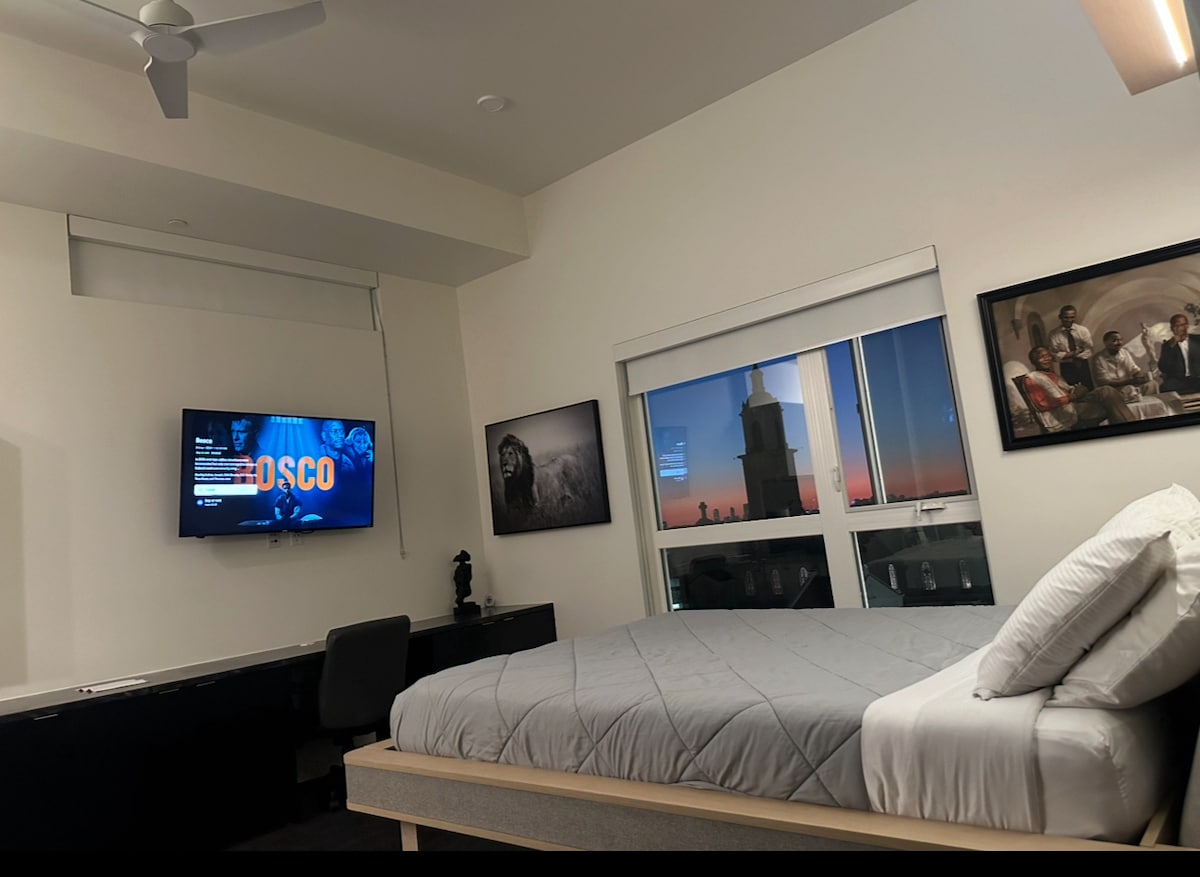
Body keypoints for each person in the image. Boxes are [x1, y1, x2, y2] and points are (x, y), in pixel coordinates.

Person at [1021, 346, 1135, 433]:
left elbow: (1067, 390)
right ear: (1034, 361)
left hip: (1074, 402)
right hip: (1062, 412)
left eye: (1048, 356)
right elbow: (1042, 404)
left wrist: (1079, 390)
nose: (1047, 359)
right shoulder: (1032, 378)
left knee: (1106, 390)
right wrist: (1072, 396)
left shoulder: (1053, 375)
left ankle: (1126, 428)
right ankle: (1129, 428)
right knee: (1111, 405)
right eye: (1042, 357)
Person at [1090, 330, 1157, 398]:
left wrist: (1141, 377)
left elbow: (1134, 370)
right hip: (1112, 391)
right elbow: (1104, 382)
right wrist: (1129, 382)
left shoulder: (1125, 353)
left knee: (1152, 384)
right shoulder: (1098, 358)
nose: (1119, 343)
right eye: (1114, 340)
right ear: (1105, 343)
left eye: (1120, 340)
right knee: (1108, 391)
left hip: (1129, 388)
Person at [1047, 304, 1095, 390]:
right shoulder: (1053, 334)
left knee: (1088, 388)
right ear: (1060, 317)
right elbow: (1054, 355)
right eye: (1066, 317)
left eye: (1072, 317)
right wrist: (1075, 352)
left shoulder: (1083, 330)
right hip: (1066, 367)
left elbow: (1089, 350)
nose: (1069, 320)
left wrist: (1067, 355)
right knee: (1071, 390)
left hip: (1082, 364)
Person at [1156, 313, 1200, 395]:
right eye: (1176, 326)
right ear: (1172, 328)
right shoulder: (1167, 345)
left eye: (1183, 325)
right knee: (1165, 388)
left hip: (1197, 378)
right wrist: (1171, 346)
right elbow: (1163, 367)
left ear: (1187, 326)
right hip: (1179, 380)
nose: (1180, 328)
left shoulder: (1197, 340)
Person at [230, 415, 260, 484]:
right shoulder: (227, 458)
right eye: (233, 431)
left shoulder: (267, 457)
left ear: (255, 433)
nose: (235, 437)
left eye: (241, 432)